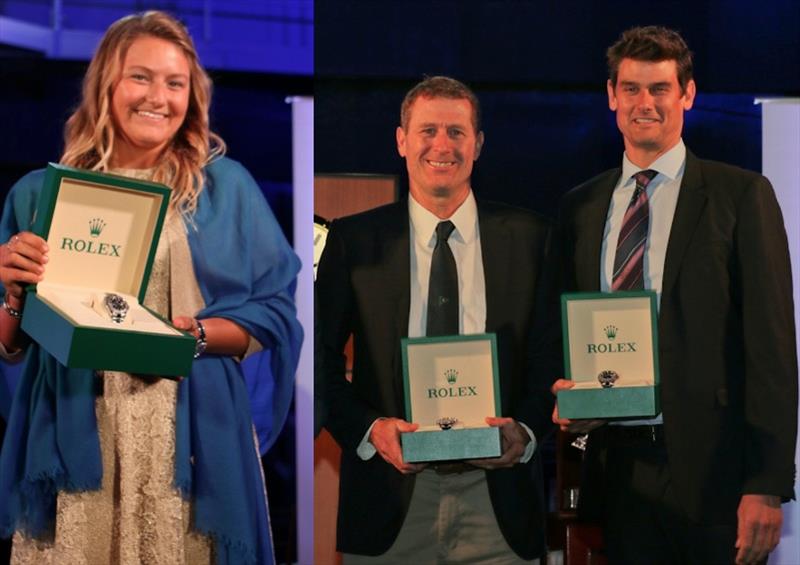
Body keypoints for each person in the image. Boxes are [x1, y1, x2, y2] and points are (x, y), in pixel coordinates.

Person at [0, 11, 302, 565]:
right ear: (106, 85)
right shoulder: (38, 195)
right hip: (78, 428)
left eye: (175, 82)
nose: (157, 96)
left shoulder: (225, 189)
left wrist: (199, 334)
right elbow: (12, 347)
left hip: (185, 439)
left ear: (192, 94)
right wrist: (12, 290)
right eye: (140, 77)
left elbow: (276, 315)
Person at [552, 25, 797, 565]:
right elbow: (565, 333)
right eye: (633, 89)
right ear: (612, 96)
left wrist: (767, 483)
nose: (646, 103)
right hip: (616, 475)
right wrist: (569, 392)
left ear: (687, 94)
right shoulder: (580, 208)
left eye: (660, 89)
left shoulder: (741, 195)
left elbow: (772, 350)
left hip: (717, 480)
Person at [317, 75, 558, 563]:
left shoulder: (532, 238)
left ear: (478, 144)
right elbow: (317, 366)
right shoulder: (355, 242)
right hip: (389, 504)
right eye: (427, 131)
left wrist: (526, 434)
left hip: (500, 506)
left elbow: (549, 358)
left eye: (456, 132)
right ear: (402, 140)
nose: (442, 145)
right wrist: (370, 432)